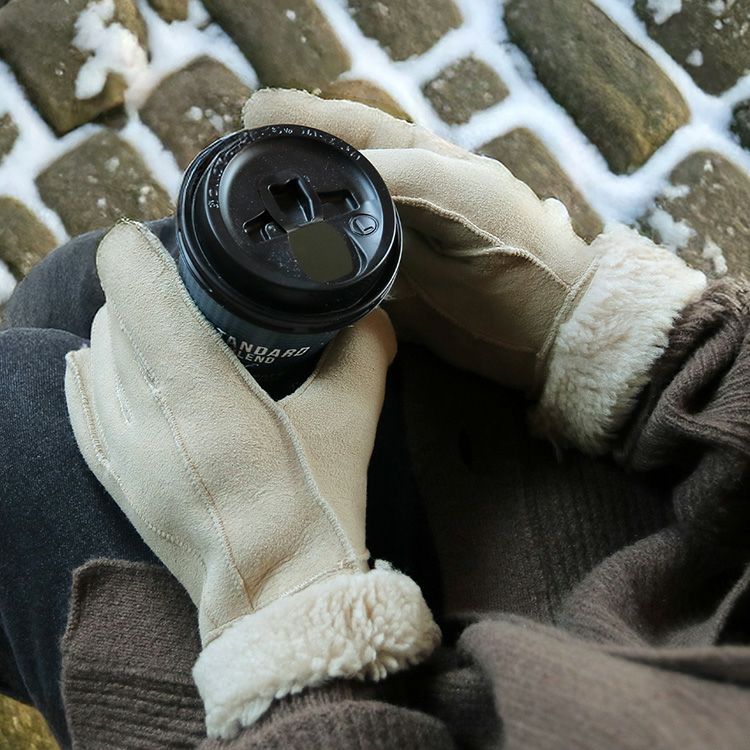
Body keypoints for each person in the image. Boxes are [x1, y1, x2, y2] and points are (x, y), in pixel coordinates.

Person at [1, 89, 748, 750]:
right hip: (622, 503)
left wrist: (289, 609)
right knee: (91, 287)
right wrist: (659, 350)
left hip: (366, 707)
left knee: (18, 404)